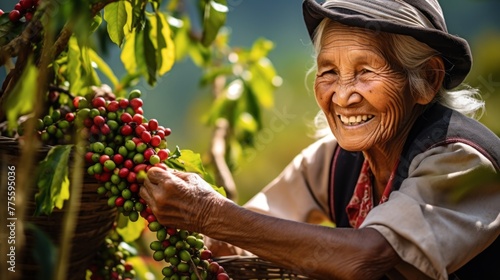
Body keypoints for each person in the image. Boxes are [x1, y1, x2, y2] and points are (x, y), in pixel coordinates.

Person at [139, 0, 500, 279]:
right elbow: (244, 235)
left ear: (428, 79)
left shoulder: (461, 161)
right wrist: (165, 208)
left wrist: (207, 212)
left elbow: (365, 259)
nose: (342, 97)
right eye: (329, 71)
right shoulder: (335, 159)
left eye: (364, 72)